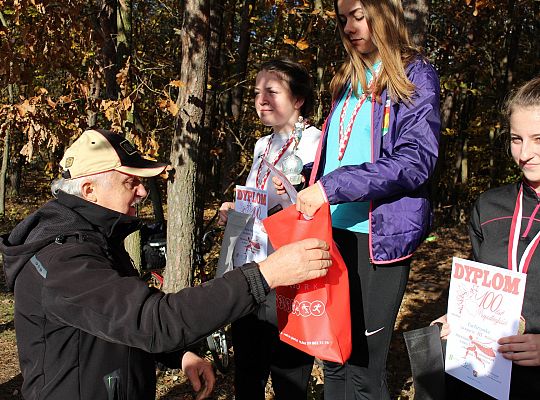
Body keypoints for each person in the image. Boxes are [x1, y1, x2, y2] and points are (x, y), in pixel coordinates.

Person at [0, 128, 332, 400]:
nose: (143, 191)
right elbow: (154, 321)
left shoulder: (91, 237)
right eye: (131, 181)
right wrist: (266, 274)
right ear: (89, 189)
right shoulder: (65, 260)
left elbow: (115, 319)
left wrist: (178, 356)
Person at [273, 1, 440, 398]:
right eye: (343, 18)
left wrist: (331, 187)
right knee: (332, 357)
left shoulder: (415, 74)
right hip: (331, 233)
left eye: (358, 16)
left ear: (384, 14)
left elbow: (417, 160)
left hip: (377, 240)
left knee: (364, 367)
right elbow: (344, 151)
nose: (349, 26)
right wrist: (306, 178)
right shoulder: (348, 77)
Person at [218, 58, 321, 400]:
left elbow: (321, 210)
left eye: (272, 91)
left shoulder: (316, 143)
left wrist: (293, 200)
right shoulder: (262, 146)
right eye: (257, 91)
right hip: (252, 267)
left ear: (298, 100)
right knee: (248, 369)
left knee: (288, 374)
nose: (261, 99)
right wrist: (236, 211)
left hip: (291, 273)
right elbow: (259, 202)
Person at [432, 76, 540, 399]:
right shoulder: (489, 206)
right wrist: (460, 319)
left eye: (538, 139)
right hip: (486, 375)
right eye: (516, 139)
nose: (525, 153)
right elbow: (482, 283)